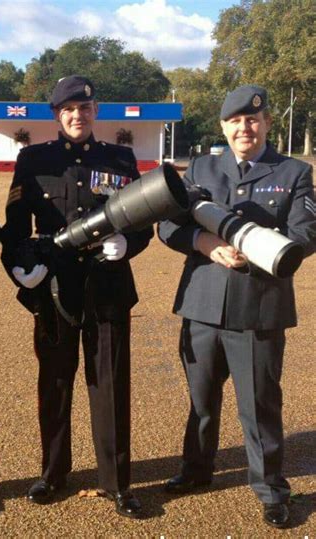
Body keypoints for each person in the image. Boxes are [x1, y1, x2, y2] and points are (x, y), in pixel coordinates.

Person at [158, 85, 315, 528]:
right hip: (203, 302)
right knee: (201, 399)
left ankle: (271, 490)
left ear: (266, 124)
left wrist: (270, 248)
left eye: (253, 120)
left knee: (259, 403)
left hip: (260, 305)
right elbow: (168, 226)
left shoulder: (294, 171)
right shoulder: (201, 169)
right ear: (224, 127)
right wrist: (204, 242)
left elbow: (308, 230)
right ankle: (197, 471)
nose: (244, 127)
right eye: (235, 121)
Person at [1, 75, 153, 518]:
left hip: (108, 286)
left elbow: (142, 218)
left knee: (110, 384)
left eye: (84, 108)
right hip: (53, 287)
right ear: (56, 115)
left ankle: (116, 481)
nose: (77, 115)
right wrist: (18, 269)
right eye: (68, 109)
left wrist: (130, 244)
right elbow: (14, 228)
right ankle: (52, 473)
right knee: (55, 381)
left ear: (95, 111)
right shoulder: (33, 160)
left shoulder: (120, 158)